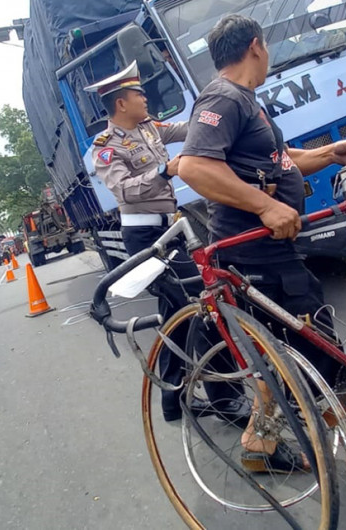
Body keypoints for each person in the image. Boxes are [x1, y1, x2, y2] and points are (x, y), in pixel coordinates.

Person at [178, 14, 346, 499]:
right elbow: (194, 166)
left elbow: (280, 160)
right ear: (256, 46)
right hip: (256, 257)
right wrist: (264, 204)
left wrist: (329, 152)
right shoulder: (222, 98)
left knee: (279, 354)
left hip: (270, 251)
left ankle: (259, 441)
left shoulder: (246, 102)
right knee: (315, 355)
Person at [89, 61, 249, 425]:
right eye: (138, 93)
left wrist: (223, 112)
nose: (145, 97)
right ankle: (227, 400)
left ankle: (171, 400)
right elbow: (124, 189)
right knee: (200, 307)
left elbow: (188, 127)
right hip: (145, 238)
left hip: (170, 230)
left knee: (177, 315)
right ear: (120, 104)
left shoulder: (149, 127)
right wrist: (164, 170)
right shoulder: (105, 148)